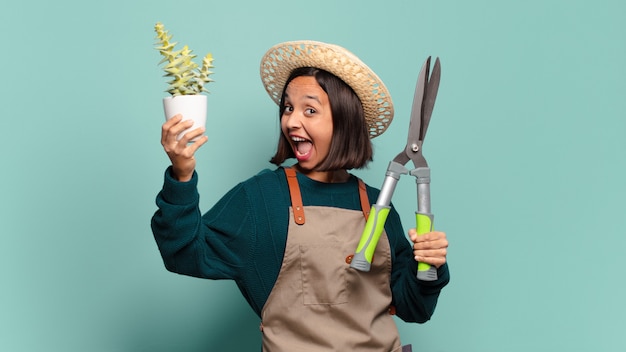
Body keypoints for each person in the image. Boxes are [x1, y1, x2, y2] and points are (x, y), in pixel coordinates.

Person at [152, 40, 450, 351]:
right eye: (288, 108)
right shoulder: (262, 199)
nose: (292, 121)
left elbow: (414, 308)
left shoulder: (379, 205)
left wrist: (430, 264)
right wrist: (181, 176)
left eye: (310, 110)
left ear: (344, 121)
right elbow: (184, 253)